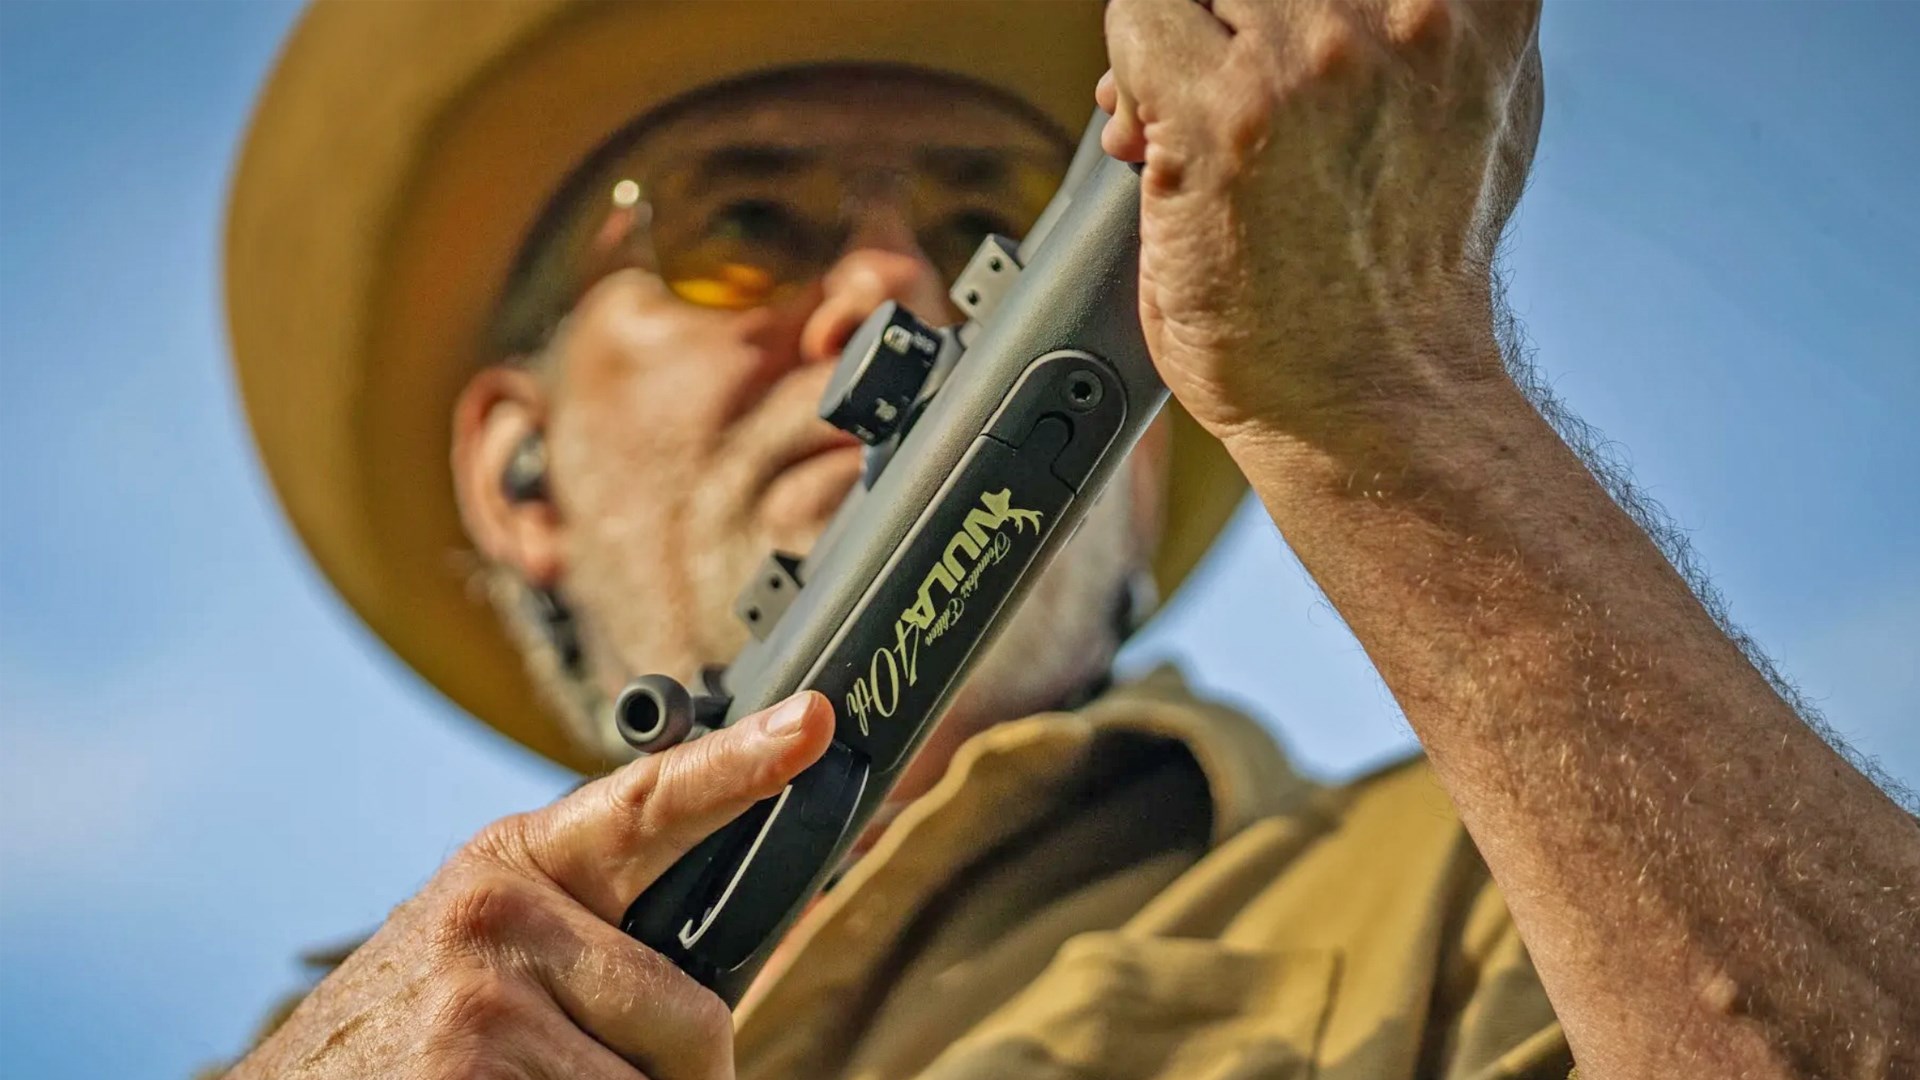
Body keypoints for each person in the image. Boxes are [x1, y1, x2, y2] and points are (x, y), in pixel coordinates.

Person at [220, 2, 1918, 1078]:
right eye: (743, 228)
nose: (891, 290)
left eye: (986, 232)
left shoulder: (1529, 893)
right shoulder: (313, 1057)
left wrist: (1381, 378)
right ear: (519, 476)